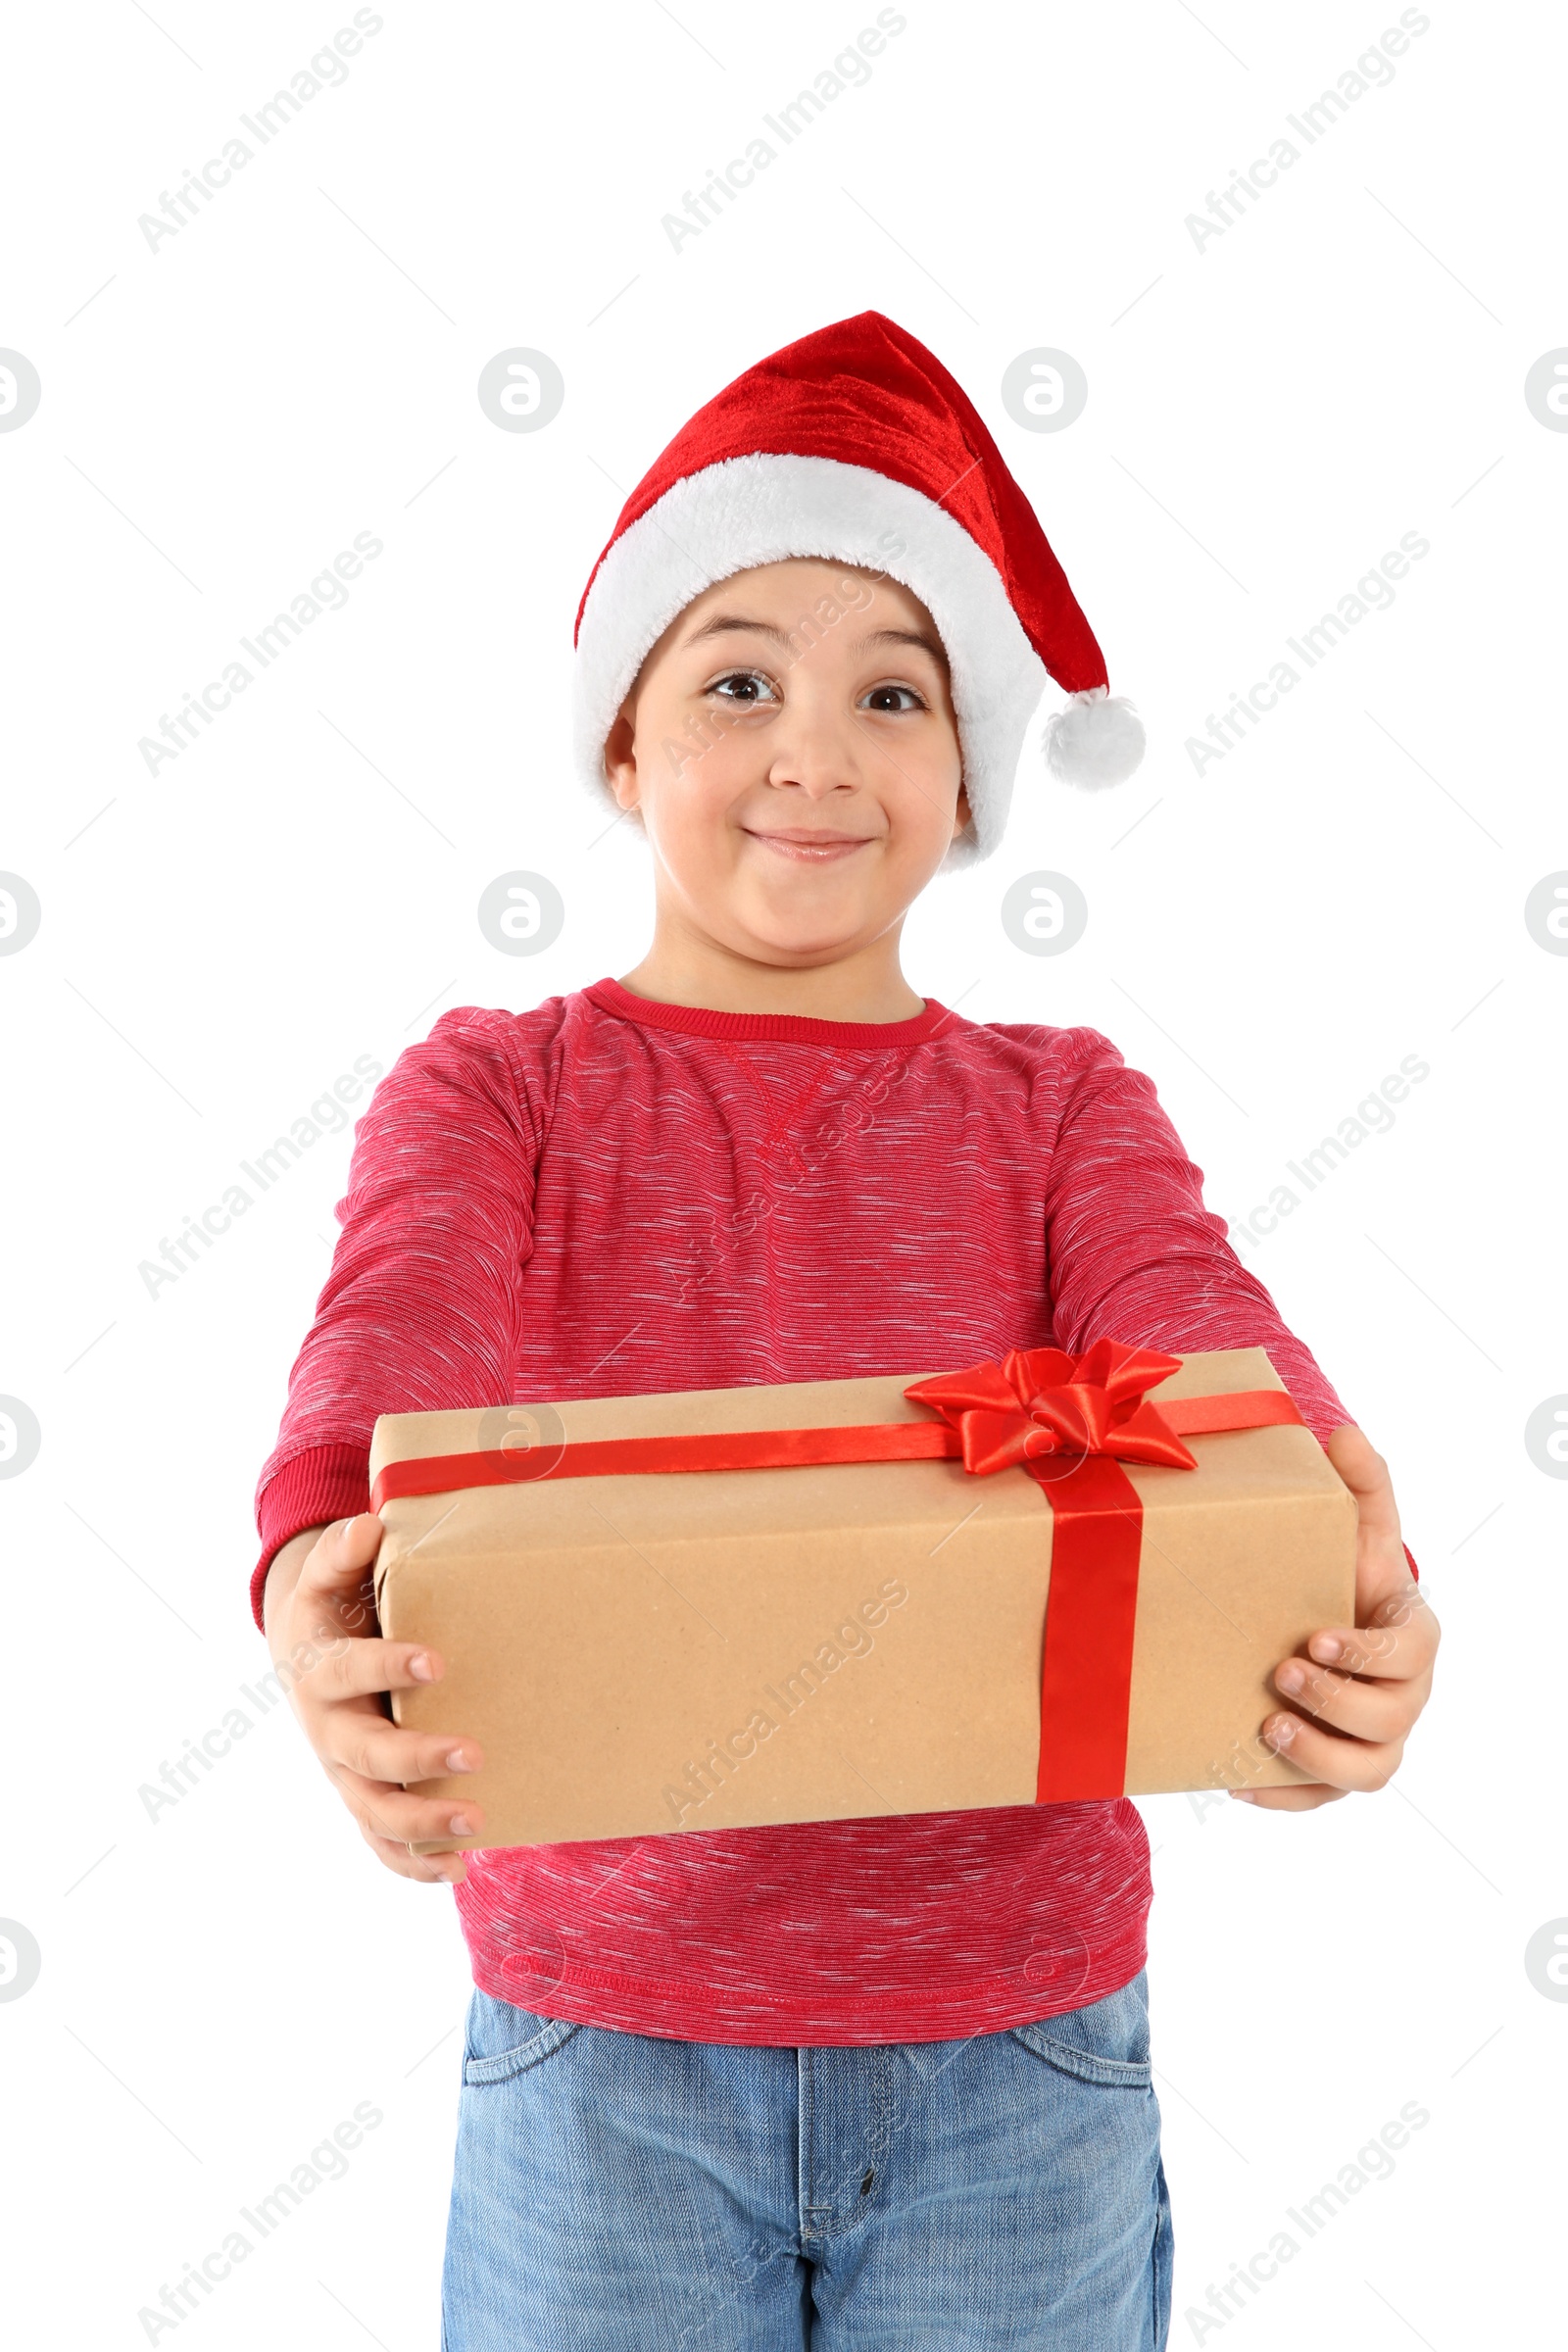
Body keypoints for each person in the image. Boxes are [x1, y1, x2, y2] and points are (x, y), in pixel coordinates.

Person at [254, 313, 1439, 2350]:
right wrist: (307, 1587)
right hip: (598, 2044)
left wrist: (1332, 1584)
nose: (812, 750)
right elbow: (386, 1346)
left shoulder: (1055, 1100)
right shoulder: (497, 1090)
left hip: (1018, 2055)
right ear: (622, 745)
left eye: (891, 693)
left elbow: (1204, 1340)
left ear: (964, 771)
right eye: (735, 682)